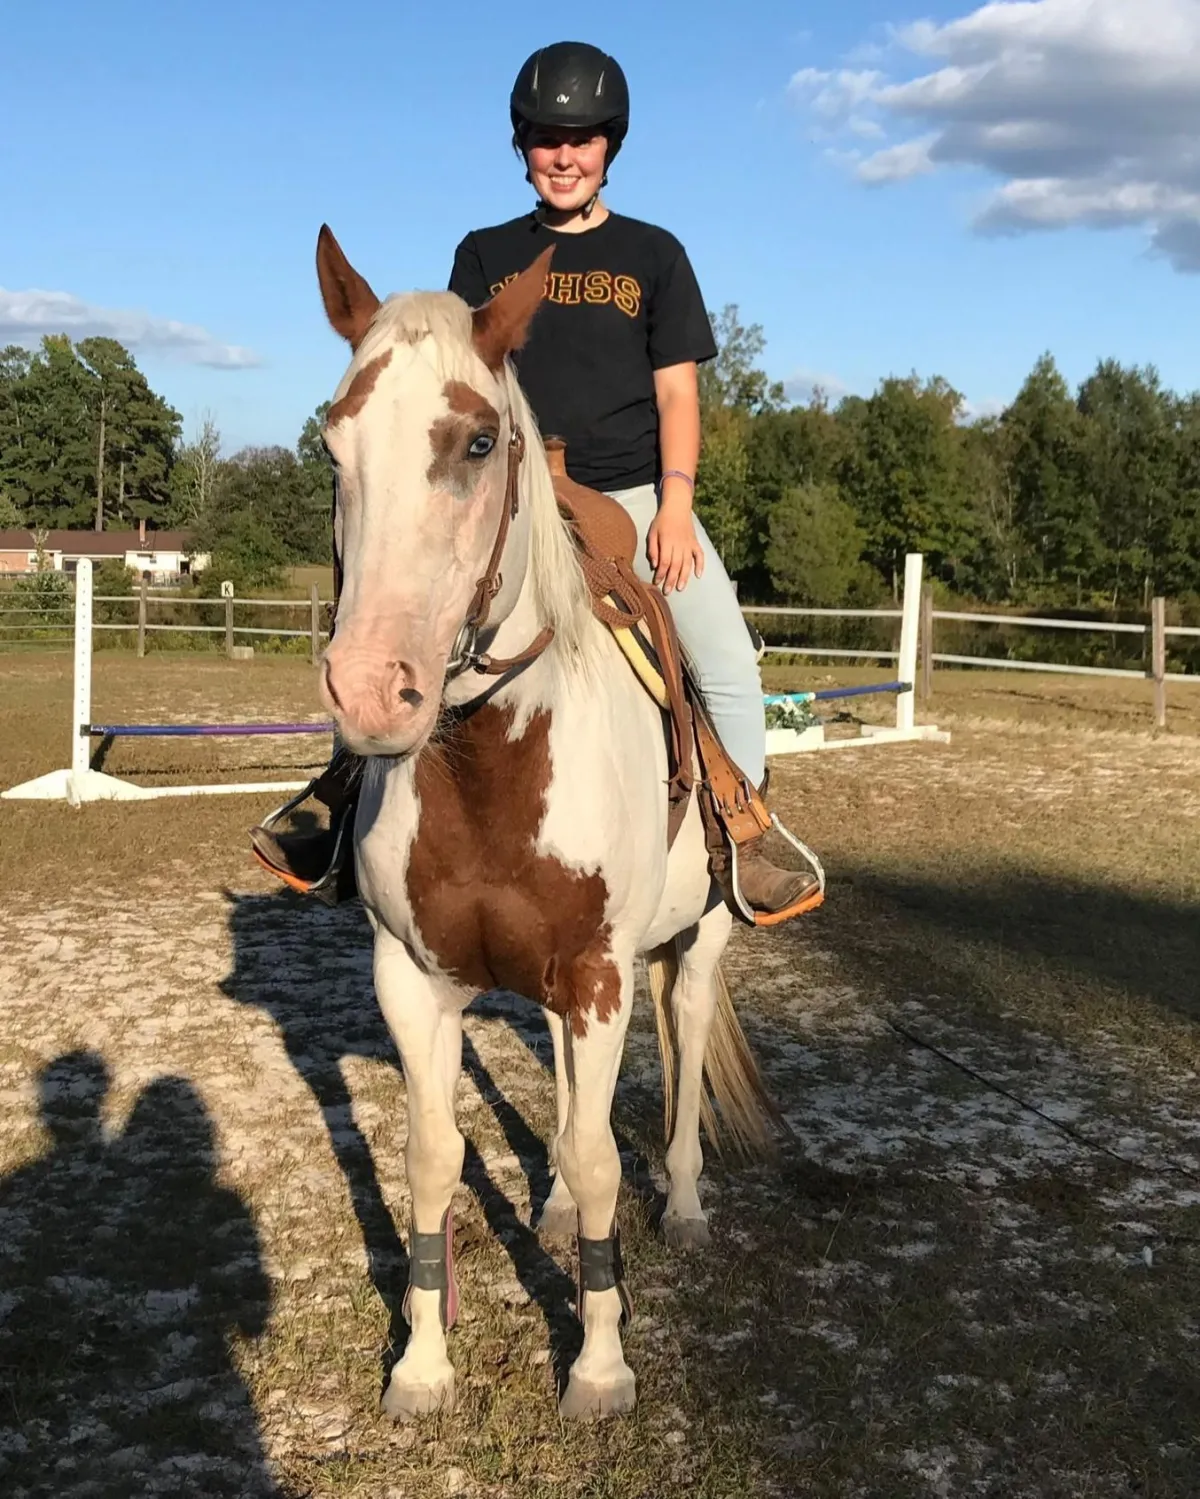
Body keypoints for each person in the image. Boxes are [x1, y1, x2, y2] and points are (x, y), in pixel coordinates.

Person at [255, 41, 818, 916]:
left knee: (726, 656)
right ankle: (340, 790)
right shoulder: (484, 254)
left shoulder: (654, 255)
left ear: (610, 148)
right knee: (413, 614)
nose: (564, 156)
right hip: (512, 491)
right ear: (522, 147)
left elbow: (678, 393)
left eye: (583, 139)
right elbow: (450, 378)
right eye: (547, 138)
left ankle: (743, 829)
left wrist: (676, 506)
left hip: (631, 493)